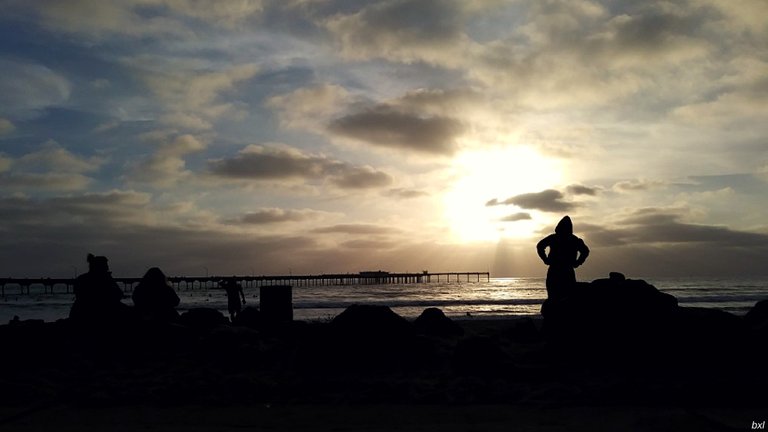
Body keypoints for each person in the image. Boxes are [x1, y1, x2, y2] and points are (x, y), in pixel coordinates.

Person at [536, 216, 590, 300]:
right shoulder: (572, 239)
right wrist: (545, 259)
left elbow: (585, 251)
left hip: (562, 270)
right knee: (564, 297)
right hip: (561, 270)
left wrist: (545, 259)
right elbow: (585, 251)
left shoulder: (556, 238)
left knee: (558, 297)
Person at [69, 253, 126, 323]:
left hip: (78, 313)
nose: (108, 268)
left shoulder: (81, 279)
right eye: (106, 265)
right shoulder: (104, 278)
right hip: (97, 314)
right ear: (100, 267)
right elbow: (118, 295)